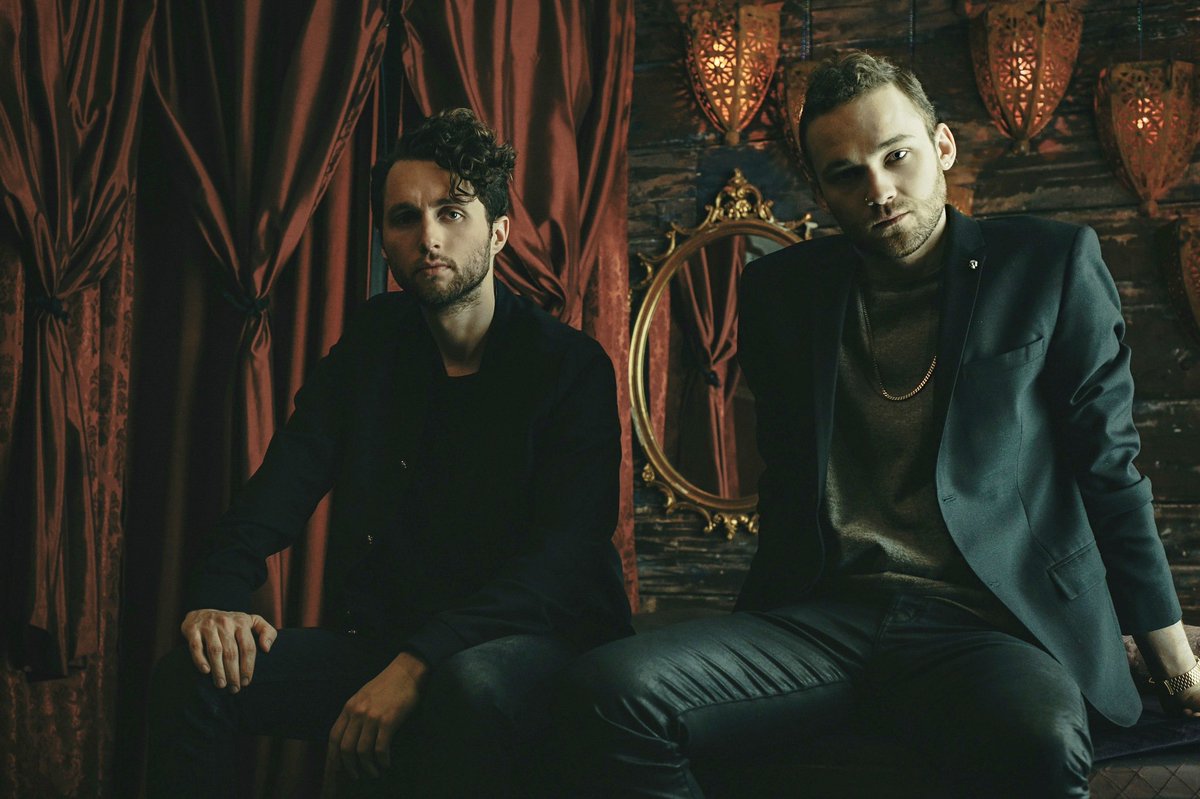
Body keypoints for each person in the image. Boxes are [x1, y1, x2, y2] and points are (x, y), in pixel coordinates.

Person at [559, 51, 1199, 797]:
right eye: (846, 174)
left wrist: (1177, 668)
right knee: (611, 690)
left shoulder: (1046, 263)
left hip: (990, 625)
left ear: (942, 146)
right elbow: (788, 475)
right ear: (822, 189)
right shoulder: (781, 291)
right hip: (828, 618)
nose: (879, 190)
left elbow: (1108, 467)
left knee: (1042, 742)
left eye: (896, 156)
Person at [147, 107, 632, 798]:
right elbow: (277, 489)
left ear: (498, 232)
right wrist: (219, 599)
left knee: (469, 684)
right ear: (384, 238)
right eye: (405, 218)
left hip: (537, 640)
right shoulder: (373, 345)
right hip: (393, 639)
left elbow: (562, 562)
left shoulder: (569, 366)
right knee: (194, 675)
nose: (427, 236)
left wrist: (417, 662)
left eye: (452, 212)